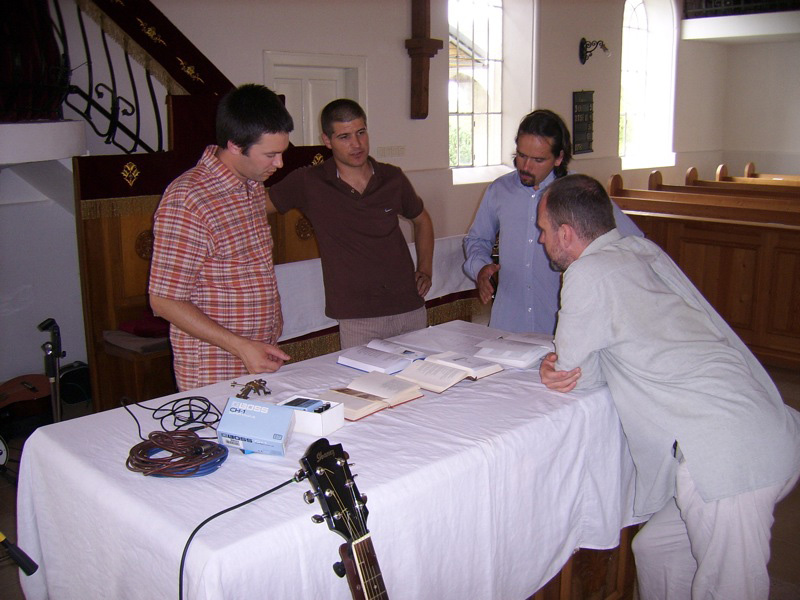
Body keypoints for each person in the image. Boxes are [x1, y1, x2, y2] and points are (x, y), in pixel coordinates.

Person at [537, 174, 800, 600]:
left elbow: (574, 373)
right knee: (657, 551)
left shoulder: (586, 274)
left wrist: (554, 369)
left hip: (728, 456)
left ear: (566, 233)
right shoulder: (642, 251)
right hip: (762, 427)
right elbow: (608, 361)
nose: (541, 239)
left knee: (729, 589)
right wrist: (576, 367)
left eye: (544, 230)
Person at [148, 84, 292, 391]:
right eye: (270, 155)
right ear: (235, 145)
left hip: (256, 354)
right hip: (216, 365)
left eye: (281, 153)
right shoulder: (189, 198)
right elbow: (164, 300)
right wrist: (241, 346)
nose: (279, 164)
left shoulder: (251, 184)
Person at [267, 99, 434, 349]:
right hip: (357, 317)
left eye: (361, 132)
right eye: (344, 137)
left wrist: (426, 269)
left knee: (421, 374)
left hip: (408, 306)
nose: (356, 144)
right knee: (364, 376)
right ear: (327, 140)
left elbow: (422, 220)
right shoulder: (309, 182)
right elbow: (255, 208)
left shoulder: (392, 177)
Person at [462, 109, 642, 334]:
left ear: (558, 158)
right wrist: (480, 268)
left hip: (562, 327)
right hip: (508, 323)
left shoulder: (580, 193)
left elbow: (632, 243)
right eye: (521, 155)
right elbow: (477, 239)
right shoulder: (499, 191)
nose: (525, 167)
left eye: (538, 160)